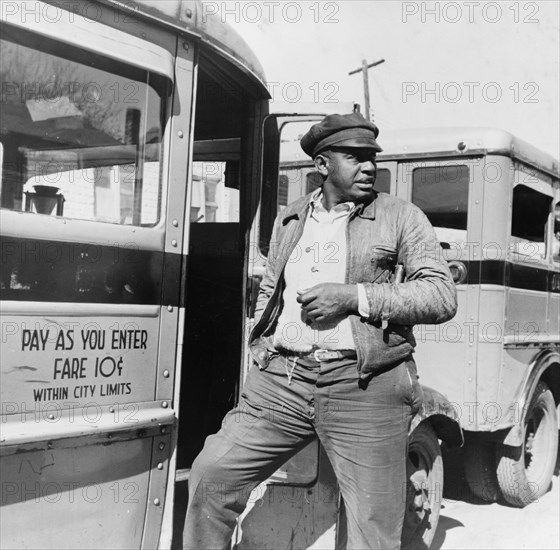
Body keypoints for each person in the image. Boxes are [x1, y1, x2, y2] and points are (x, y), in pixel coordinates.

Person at [184, 112, 457, 550]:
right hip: (281, 384)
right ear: (322, 165)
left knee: (373, 529)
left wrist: (353, 296)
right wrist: (263, 344)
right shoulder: (291, 219)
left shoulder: (400, 216)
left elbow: (441, 295)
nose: (369, 167)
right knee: (212, 476)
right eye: (355, 157)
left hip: (364, 388)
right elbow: (272, 288)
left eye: (372, 158)